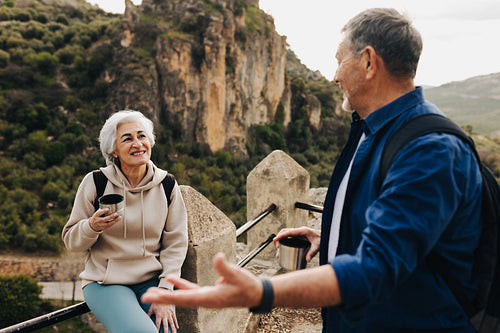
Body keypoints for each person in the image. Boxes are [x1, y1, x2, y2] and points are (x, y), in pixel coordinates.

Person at [141, 8, 482, 332]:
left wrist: (263, 293)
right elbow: (398, 230)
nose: (334, 76)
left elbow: (376, 268)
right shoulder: (372, 131)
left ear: (367, 61)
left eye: (339, 60)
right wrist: (336, 235)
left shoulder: (430, 150)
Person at [62, 110, 188, 333]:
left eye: (142, 136)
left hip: (152, 280)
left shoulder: (167, 184)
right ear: (114, 150)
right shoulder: (95, 182)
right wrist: (92, 227)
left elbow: (176, 244)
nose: (138, 144)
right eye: (127, 139)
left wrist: (166, 290)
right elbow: (72, 241)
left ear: (150, 141)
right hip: (105, 282)